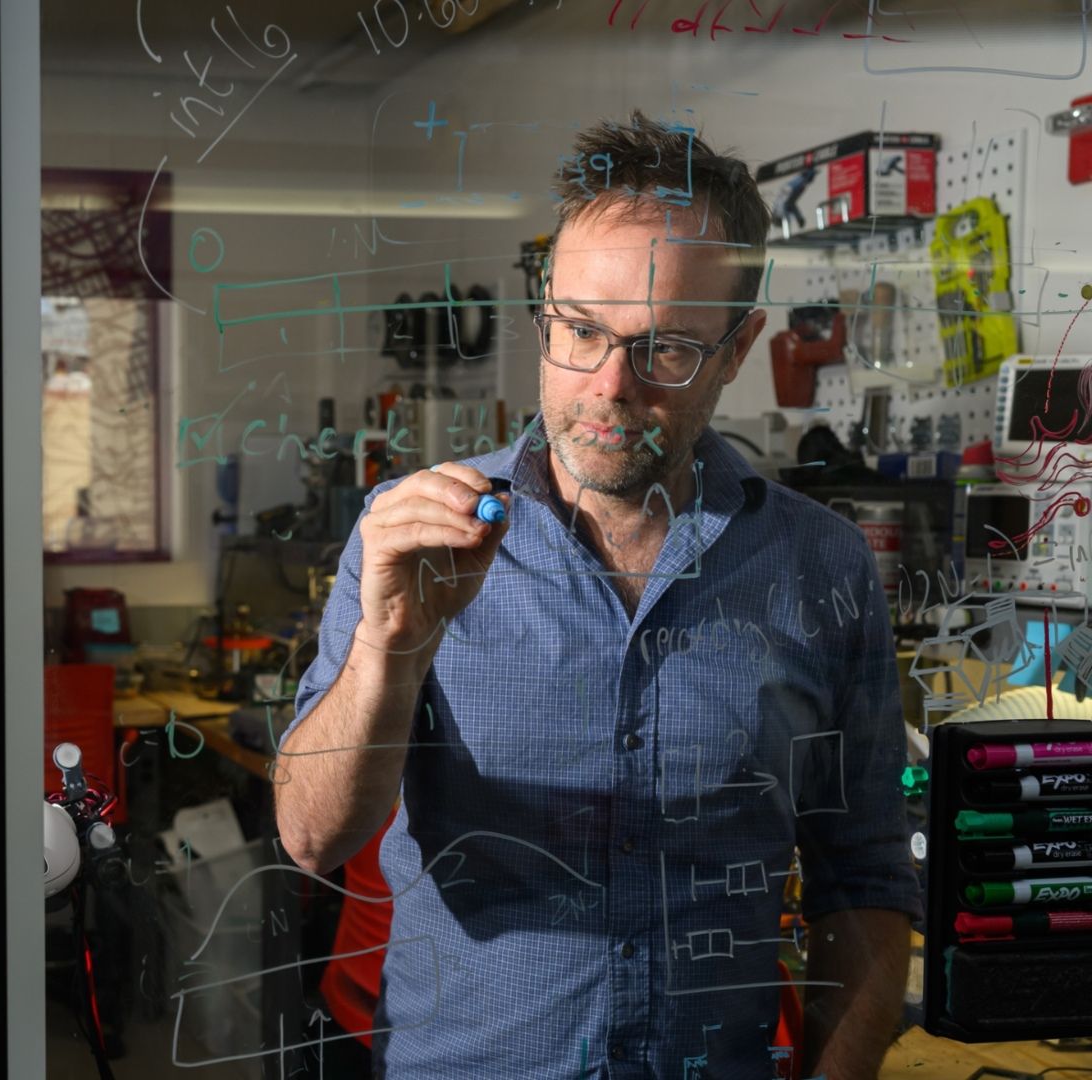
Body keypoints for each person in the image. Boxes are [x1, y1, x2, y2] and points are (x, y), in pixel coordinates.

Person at [276, 114, 919, 1080]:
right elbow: (314, 839)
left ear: (739, 348)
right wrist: (390, 647)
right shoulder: (411, 538)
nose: (608, 386)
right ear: (546, 315)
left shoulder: (819, 565)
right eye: (579, 331)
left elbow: (863, 877)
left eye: (663, 351)